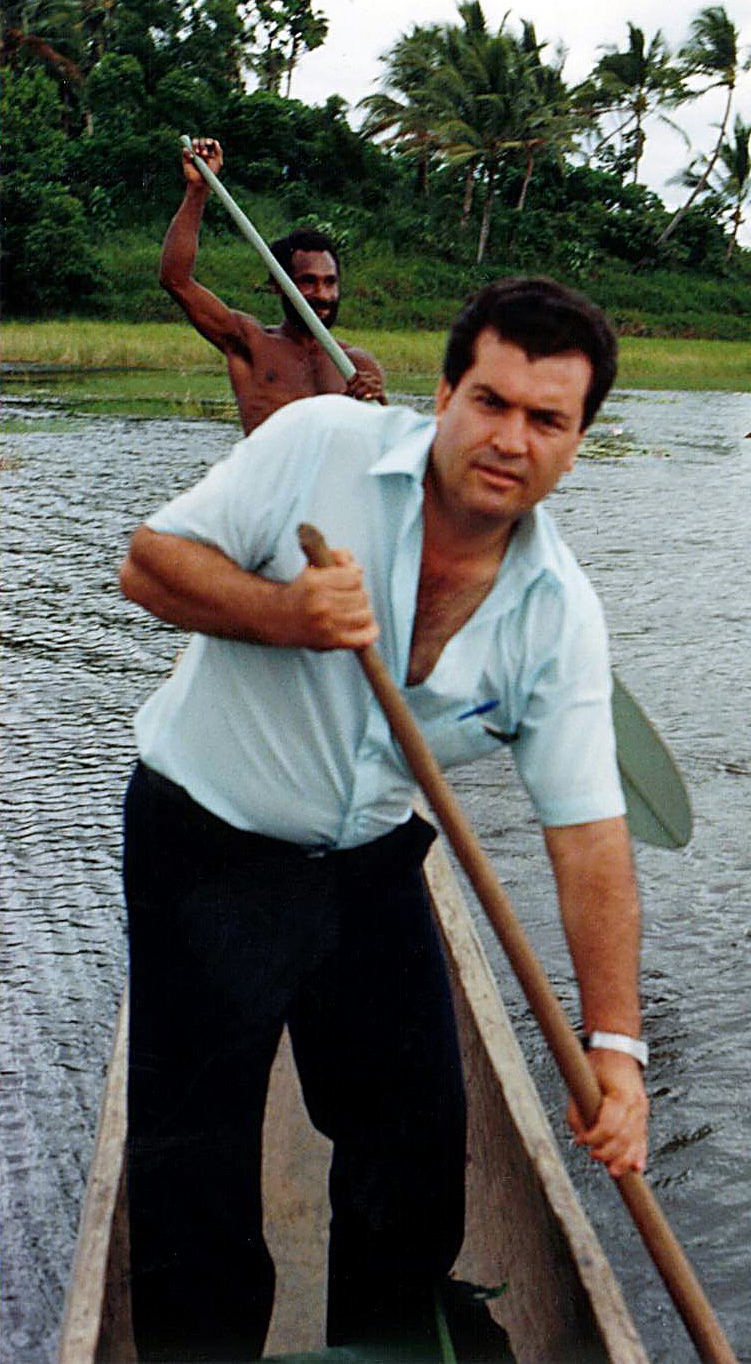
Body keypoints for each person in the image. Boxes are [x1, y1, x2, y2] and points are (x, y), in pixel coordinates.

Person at [118, 276, 649, 1362]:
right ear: (444, 392)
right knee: (194, 1159)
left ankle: (382, 1348)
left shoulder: (556, 618)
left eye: (547, 420)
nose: (511, 439)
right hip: (208, 839)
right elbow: (149, 565)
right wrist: (284, 614)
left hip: (367, 861)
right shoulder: (321, 444)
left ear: (578, 441)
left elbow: (589, 840)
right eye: (491, 402)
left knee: (415, 1145)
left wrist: (618, 1049)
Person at [159, 136, 386, 434]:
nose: (322, 295)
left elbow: (383, 454)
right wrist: (198, 189)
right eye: (308, 282)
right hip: (270, 481)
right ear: (279, 286)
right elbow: (175, 279)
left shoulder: (359, 366)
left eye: (330, 283)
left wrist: (378, 408)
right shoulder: (250, 343)